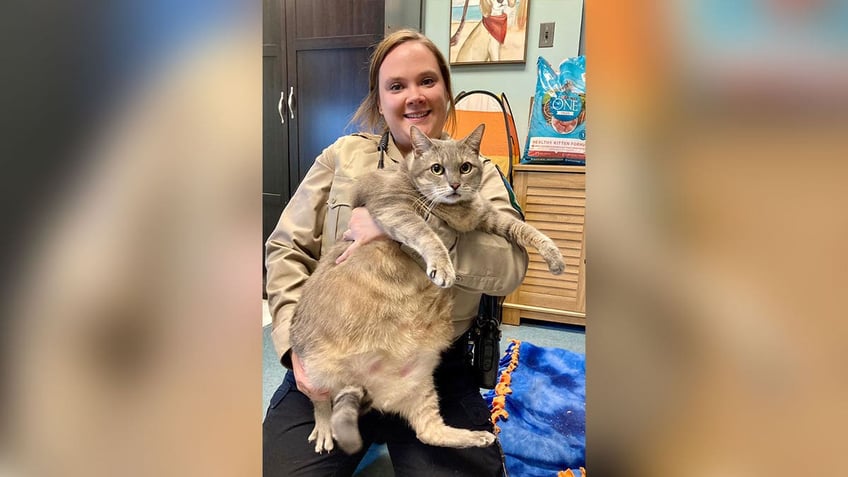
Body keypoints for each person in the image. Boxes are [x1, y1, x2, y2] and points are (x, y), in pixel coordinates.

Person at [263, 29, 528, 477]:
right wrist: (296, 351)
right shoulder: (342, 158)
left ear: (446, 89)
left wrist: (403, 233)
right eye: (396, 86)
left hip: (430, 366)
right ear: (379, 98)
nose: (414, 97)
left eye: (427, 81)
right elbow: (286, 248)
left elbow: (510, 267)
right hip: (340, 358)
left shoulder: (478, 171)